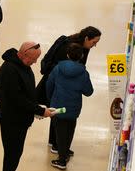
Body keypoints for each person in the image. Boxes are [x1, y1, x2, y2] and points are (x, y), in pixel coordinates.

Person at [0, 42, 54, 171]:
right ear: (23, 54)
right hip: (11, 121)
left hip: (20, 120)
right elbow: (17, 99)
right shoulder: (9, 70)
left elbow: (27, 93)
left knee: (15, 155)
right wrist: (39, 110)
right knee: (11, 157)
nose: (36, 63)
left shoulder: (22, 65)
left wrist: (38, 108)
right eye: (34, 59)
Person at [36, 26, 101, 154]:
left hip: (59, 87)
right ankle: (57, 145)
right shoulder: (70, 48)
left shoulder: (83, 46)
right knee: (59, 117)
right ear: (87, 38)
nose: (94, 46)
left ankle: (55, 142)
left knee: (56, 114)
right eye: (94, 42)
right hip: (56, 84)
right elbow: (62, 70)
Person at [46, 44, 94, 170]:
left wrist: (51, 99)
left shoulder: (58, 68)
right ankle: (65, 151)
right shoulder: (83, 72)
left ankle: (62, 160)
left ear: (67, 54)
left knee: (60, 132)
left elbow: (49, 85)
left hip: (58, 106)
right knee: (69, 130)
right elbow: (89, 91)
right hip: (73, 107)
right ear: (81, 56)